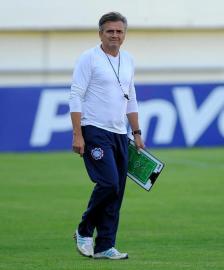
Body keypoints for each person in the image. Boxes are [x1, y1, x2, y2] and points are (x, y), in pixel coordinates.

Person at [69, 11, 144, 260]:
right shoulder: (89, 58)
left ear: (124, 34)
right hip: (94, 129)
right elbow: (75, 95)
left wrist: (136, 132)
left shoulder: (129, 60)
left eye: (119, 31)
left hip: (120, 132)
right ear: (100, 33)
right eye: (110, 31)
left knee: (117, 190)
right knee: (109, 183)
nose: (115, 35)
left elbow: (131, 98)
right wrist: (78, 134)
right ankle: (84, 229)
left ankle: (105, 245)